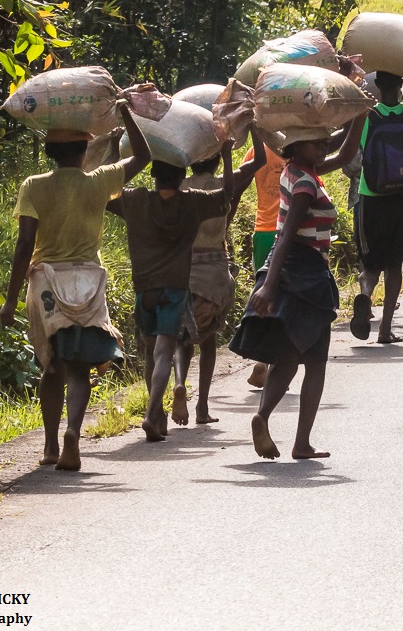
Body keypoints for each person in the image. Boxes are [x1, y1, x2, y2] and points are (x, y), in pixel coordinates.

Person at [0, 101, 151, 471]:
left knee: (51, 366)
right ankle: (73, 435)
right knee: (80, 368)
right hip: (88, 282)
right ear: (85, 149)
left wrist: (11, 300)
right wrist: (126, 114)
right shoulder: (100, 182)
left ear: (50, 152)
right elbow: (142, 157)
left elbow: (24, 246)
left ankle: (51, 445)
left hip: (47, 284)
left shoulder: (33, 186)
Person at [230, 115, 366, 460]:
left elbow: (343, 150)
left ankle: (262, 416)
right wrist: (268, 287)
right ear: (297, 145)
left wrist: (360, 114)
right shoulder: (306, 184)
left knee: (288, 355)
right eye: (317, 142)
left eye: (323, 141)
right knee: (316, 362)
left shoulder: (295, 171)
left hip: (289, 270)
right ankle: (302, 442)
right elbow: (287, 235)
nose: (323, 145)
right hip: (304, 274)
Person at [108, 141, 234, 442]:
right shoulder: (191, 202)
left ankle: (159, 414)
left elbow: (108, 187)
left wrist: (114, 149)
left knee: (151, 353)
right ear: (181, 178)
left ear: (153, 176)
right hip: (174, 290)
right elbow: (226, 194)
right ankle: (152, 413)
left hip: (144, 291)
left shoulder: (136, 200)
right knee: (166, 352)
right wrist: (227, 155)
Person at [175, 126, 268, 424]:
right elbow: (259, 161)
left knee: (181, 340)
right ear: (216, 160)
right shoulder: (223, 186)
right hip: (214, 275)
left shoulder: (180, 187)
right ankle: (202, 406)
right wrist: (248, 133)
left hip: (182, 271)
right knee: (208, 341)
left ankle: (178, 383)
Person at [350, 71, 403, 344]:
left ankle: (365, 297)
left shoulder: (366, 115)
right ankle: (385, 329)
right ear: (401, 85)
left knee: (371, 264)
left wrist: (354, 89)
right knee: (394, 266)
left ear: (377, 87)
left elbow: (347, 142)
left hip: (371, 196)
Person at [240, 141, 285, 389]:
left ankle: (261, 360)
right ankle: (274, 361)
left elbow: (240, 180)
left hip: (263, 230)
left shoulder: (257, 150)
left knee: (263, 292)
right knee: (284, 296)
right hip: (289, 230)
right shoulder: (293, 146)